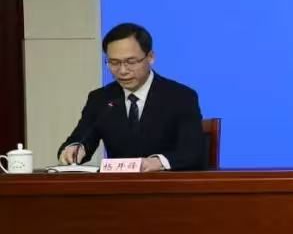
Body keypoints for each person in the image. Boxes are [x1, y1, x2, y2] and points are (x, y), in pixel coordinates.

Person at [58, 22, 206, 171]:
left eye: (131, 62)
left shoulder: (180, 97)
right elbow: (81, 138)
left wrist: (158, 162)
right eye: (114, 62)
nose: (122, 71)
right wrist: (75, 149)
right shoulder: (100, 99)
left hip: (166, 183)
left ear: (150, 57)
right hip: (118, 184)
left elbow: (193, 152)